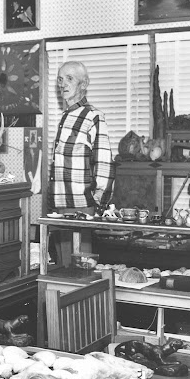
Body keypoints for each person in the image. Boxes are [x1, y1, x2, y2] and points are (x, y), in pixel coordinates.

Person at [48, 61, 115, 263]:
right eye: (60, 79)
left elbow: (104, 162)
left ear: (83, 84)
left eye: (69, 78)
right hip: (60, 204)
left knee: (81, 268)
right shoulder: (65, 118)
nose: (63, 84)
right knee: (63, 267)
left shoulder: (93, 116)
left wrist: (97, 202)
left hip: (81, 206)